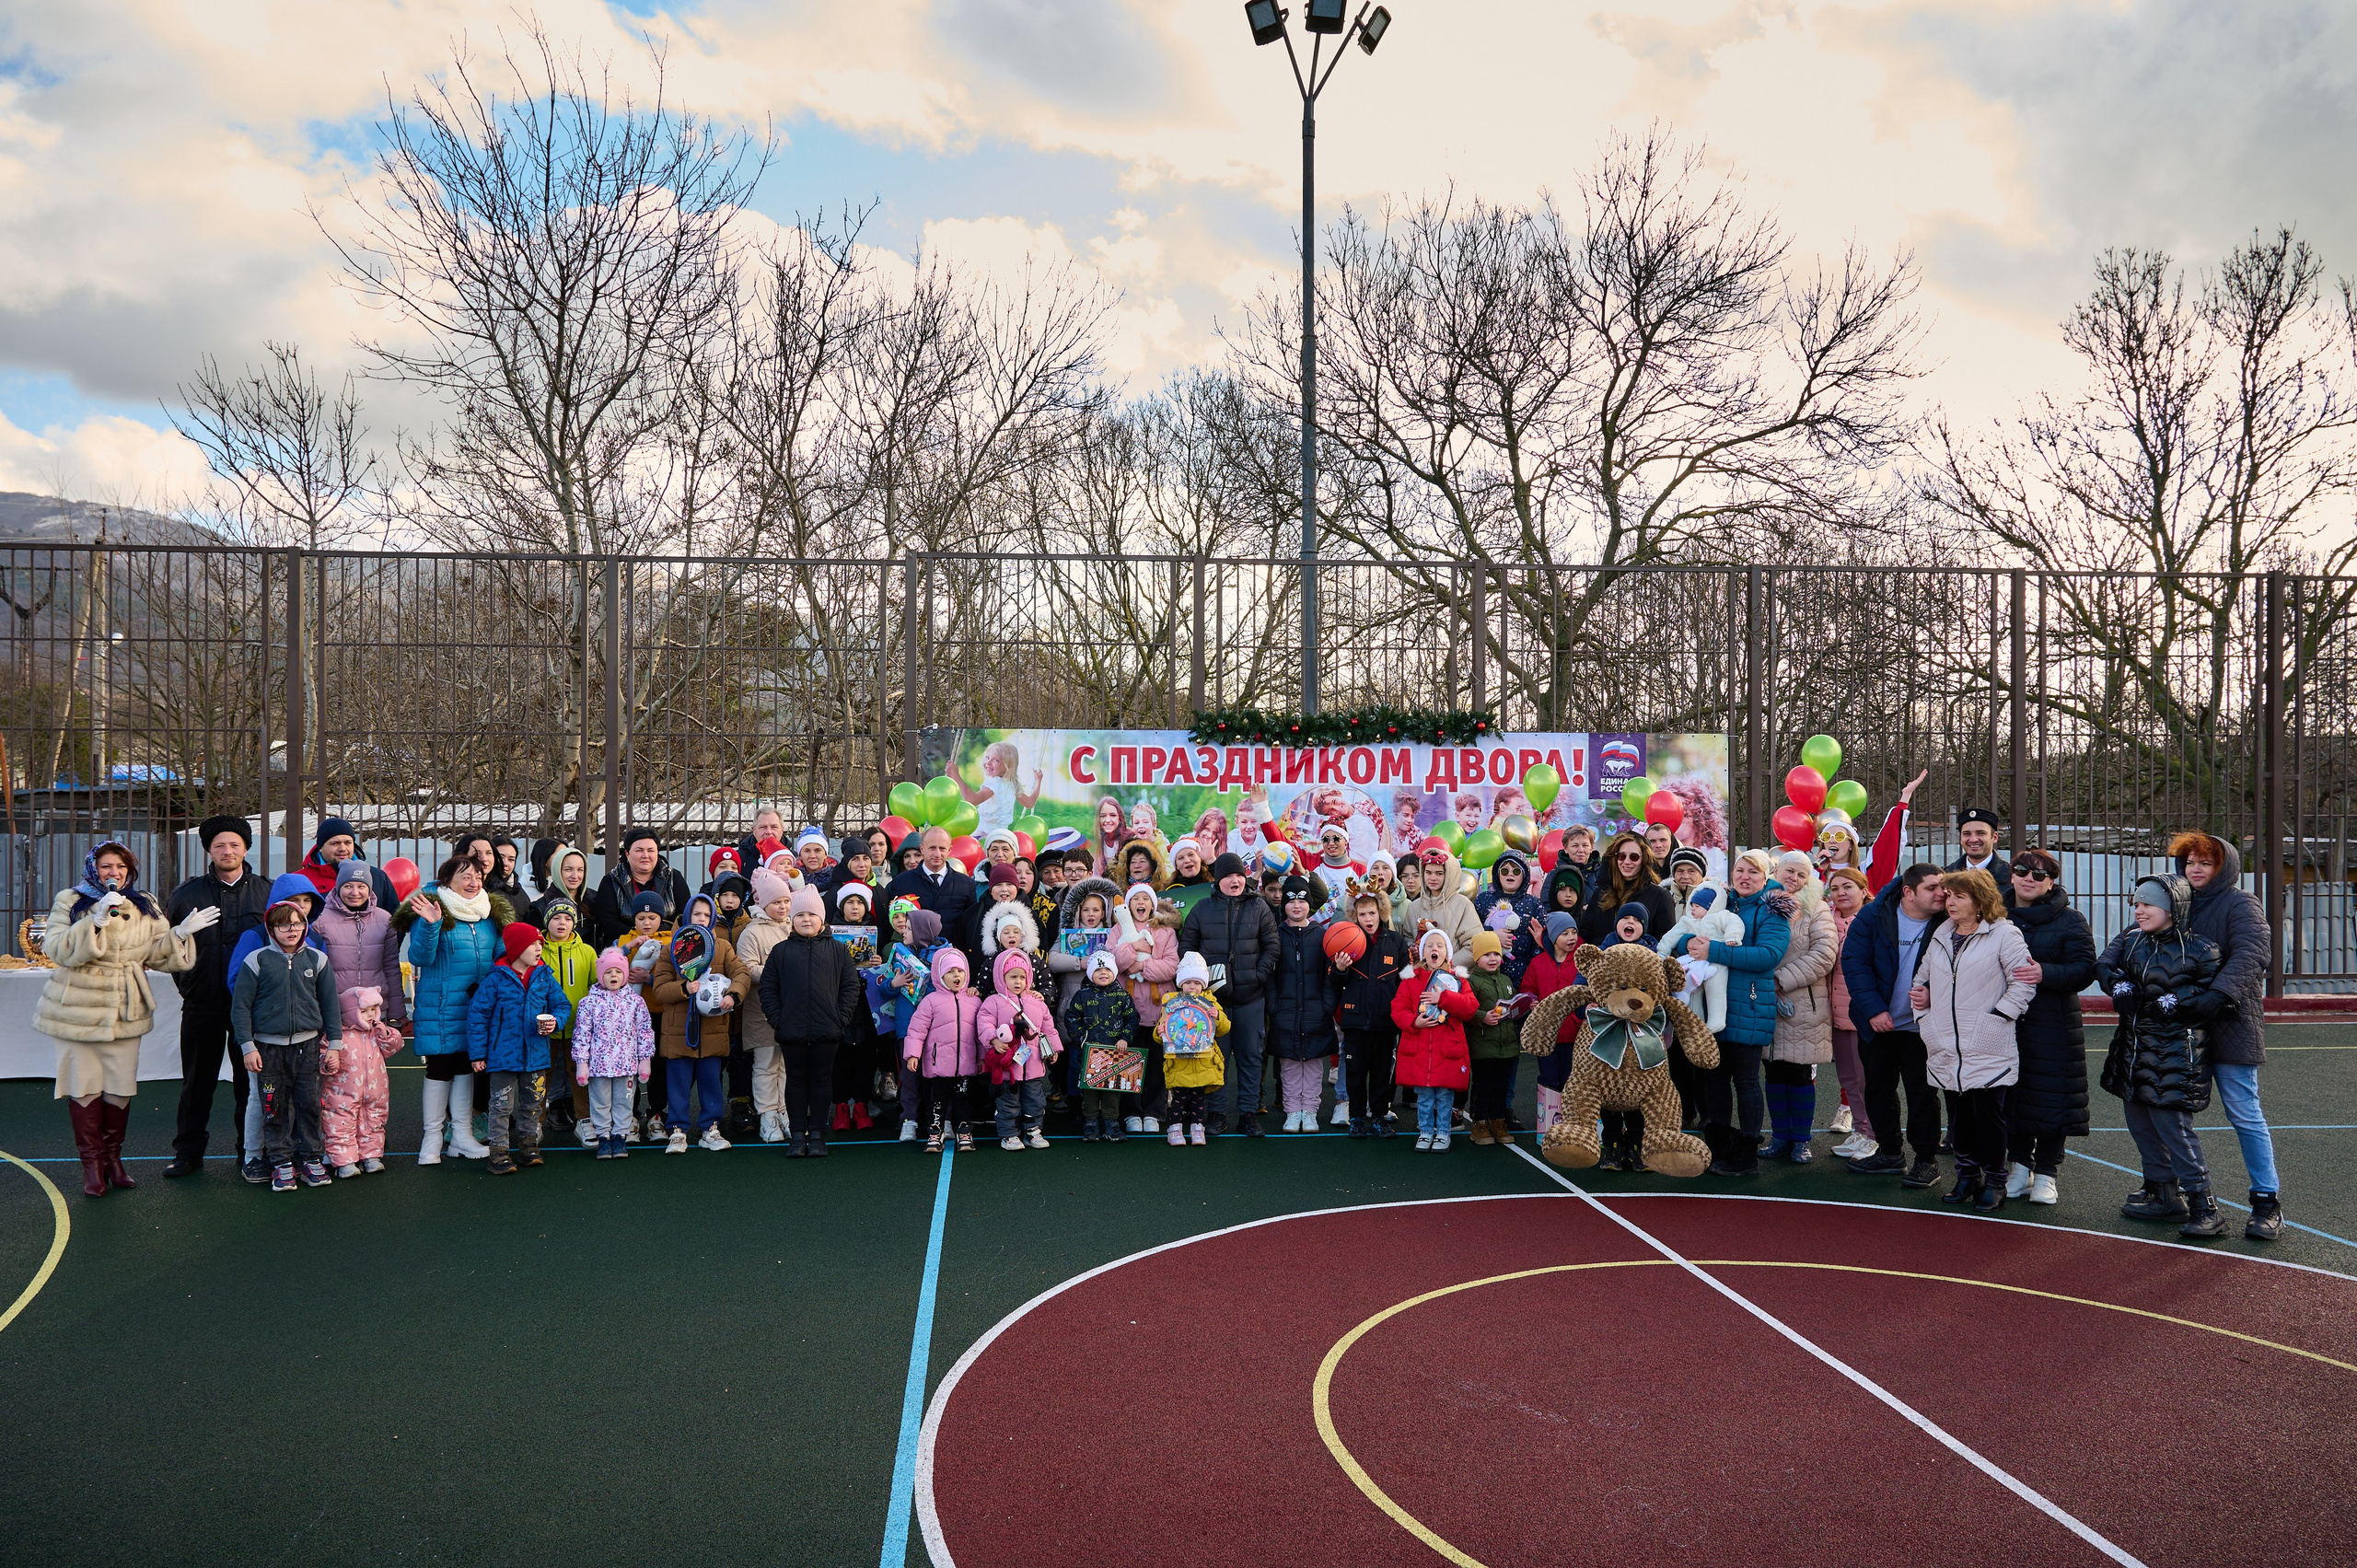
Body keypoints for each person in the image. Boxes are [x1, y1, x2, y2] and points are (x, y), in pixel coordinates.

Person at [36, 842, 204, 1196]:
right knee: (83, 1084)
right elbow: (55, 949)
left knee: (120, 1086)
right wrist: (94, 922)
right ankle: (92, 1165)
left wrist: (179, 934)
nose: (114, 873)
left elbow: (156, 954)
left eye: (121, 866)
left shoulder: (144, 903)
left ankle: (113, 1159)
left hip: (126, 1006)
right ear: (93, 868)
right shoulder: (71, 899)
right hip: (78, 1009)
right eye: (106, 866)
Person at [2096, 874, 2230, 1238]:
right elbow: (2105, 965)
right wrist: (2118, 983)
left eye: (2148, 905)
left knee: (2175, 1130)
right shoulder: (2131, 939)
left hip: (2176, 1057)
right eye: (2137, 904)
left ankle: (2205, 1207)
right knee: (2140, 1123)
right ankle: (2164, 1196)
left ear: (2173, 907)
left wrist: (2176, 1000)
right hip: (2133, 1052)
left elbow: (2212, 993)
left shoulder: (2202, 949)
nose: (2139, 911)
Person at [2171, 830, 2284, 1240]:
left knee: (2244, 1113)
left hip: (2232, 1024)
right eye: (2190, 862)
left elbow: (2253, 953)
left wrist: (2217, 996)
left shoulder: (2241, 903)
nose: (2195, 869)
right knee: (2171, 1111)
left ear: (2224, 867)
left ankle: (2266, 1202)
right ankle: (2177, 1194)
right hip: (2184, 1027)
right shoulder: (2177, 903)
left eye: (2205, 862)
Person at [1909, 868, 2032, 1212]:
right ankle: (1967, 1177)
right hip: (1945, 1044)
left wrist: (1999, 1017)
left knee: (1988, 1118)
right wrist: (1924, 1013)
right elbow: (1921, 980)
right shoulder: (1941, 935)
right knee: (1959, 1118)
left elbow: (2023, 981)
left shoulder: (2005, 934)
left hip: (1986, 1044)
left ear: (1980, 902)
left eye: (1959, 896)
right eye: (1949, 895)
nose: (1950, 902)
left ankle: (1995, 1181)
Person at [163, 816, 269, 1178]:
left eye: (235, 844)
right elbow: (170, 949)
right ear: (209, 850)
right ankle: (188, 1153)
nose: (228, 851)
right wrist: (190, 986)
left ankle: (250, 1152)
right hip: (202, 1004)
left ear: (246, 849)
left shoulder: (267, 893)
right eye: (220, 845)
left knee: (249, 1085)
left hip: (251, 1009)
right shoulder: (186, 894)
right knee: (197, 1083)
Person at [397, 853, 512, 1164]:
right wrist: (432, 924)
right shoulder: (432, 908)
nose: (473, 882)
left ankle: (462, 1136)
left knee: (466, 1066)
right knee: (439, 1068)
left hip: (477, 1009)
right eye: (465, 876)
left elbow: (502, 957)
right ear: (447, 881)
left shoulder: (490, 913)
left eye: (477, 876)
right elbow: (419, 957)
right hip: (441, 1006)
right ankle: (432, 1138)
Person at [1840, 864, 1947, 1189]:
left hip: (1922, 1027)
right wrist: (1873, 1009)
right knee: (1878, 1089)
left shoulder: (1949, 918)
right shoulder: (1874, 914)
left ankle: (1926, 1161)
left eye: (1943, 886)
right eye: (1932, 888)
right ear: (1909, 892)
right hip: (1878, 1023)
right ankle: (1890, 1153)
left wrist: (1934, 994)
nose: (1942, 893)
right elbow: (1855, 962)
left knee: (1922, 1094)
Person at [2000, 848, 2097, 1205]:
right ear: (2011, 875)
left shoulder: (2070, 919)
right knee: (2013, 1095)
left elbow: (2086, 969)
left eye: (2039, 875)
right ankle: (2019, 1168)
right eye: (2022, 871)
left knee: (2054, 1097)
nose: (2029, 879)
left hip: (2053, 1022)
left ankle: (2046, 1174)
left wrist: (2045, 972)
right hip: (2007, 1021)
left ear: (2051, 882)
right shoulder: (1995, 915)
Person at [231, 891, 343, 1192]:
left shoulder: (317, 959)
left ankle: (311, 1159)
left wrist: (334, 1044)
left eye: (297, 923)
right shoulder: (256, 961)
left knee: (309, 1104)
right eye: (284, 925)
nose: (292, 930)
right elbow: (240, 1007)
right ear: (271, 928)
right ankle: (279, 1162)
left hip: (308, 1046)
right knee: (273, 1107)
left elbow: (330, 1005)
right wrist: (248, 1046)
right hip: (268, 1048)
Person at [1689, 850, 1791, 1178]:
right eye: (1740, 870)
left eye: (1753, 872)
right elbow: (1692, 930)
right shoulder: (1722, 902)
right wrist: (1690, 944)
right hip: (1713, 1006)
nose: (1745, 877)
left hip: (1749, 1005)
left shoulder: (1772, 910)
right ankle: (1719, 1147)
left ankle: (1747, 1154)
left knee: (1746, 1081)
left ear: (1765, 877)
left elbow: (1768, 955)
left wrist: (1714, 950)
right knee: (1714, 1079)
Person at [755, 885, 865, 1158]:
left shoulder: (838, 951)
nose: (806, 920)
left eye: (812, 915)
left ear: (822, 919)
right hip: (791, 1030)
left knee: (821, 1081)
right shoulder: (780, 951)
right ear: (792, 919)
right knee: (795, 1082)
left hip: (827, 1031)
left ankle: (817, 1135)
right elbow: (768, 988)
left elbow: (850, 987)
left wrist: (840, 1019)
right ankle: (797, 1136)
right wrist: (778, 1020)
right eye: (800, 915)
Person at [1178, 853, 1279, 1136]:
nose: (1235, 881)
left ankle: (1248, 1114)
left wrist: (1257, 975)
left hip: (1251, 999)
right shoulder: (1201, 908)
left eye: (1239, 876)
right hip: (1213, 1001)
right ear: (1218, 879)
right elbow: (1187, 948)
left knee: (1251, 1058)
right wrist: (1200, 981)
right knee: (1214, 1059)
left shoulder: (1259, 907)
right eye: (1228, 876)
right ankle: (1217, 1114)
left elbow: (1272, 946)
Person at [465, 923, 575, 1175]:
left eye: (540, 944)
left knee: (533, 1104)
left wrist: (555, 1021)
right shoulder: (495, 979)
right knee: (501, 1105)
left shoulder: (544, 976)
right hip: (502, 1057)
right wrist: (478, 1054)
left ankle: (529, 1146)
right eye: (532, 944)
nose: (538, 949)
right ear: (516, 949)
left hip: (535, 1056)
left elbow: (562, 1005)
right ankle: (499, 1152)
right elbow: (478, 1016)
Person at [649, 893, 752, 1154]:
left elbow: (741, 973)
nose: (702, 919)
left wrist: (733, 994)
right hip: (678, 1031)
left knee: (711, 1082)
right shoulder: (670, 948)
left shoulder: (722, 947)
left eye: (707, 915)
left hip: (713, 1030)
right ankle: (678, 1131)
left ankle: (710, 1128)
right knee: (678, 1083)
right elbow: (660, 989)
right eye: (697, 914)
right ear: (687, 916)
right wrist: (684, 988)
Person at [1761, 852, 1840, 1164]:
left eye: (1801, 874)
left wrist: (1780, 979)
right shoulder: (1760, 903)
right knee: (1773, 1073)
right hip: (1765, 1002)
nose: (1793, 878)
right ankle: (1780, 1137)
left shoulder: (1815, 908)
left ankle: (1801, 1140)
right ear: (1776, 870)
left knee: (1799, 1074)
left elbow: (1825, 953)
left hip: (1803, 1004)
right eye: (1789, 871)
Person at [1330, 890, 1410, 1139]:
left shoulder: (1395, 941)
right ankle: (1356, 1118)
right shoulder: (1347, 940)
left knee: (1381, 1072)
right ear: (1354, 915)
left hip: (1385, 1020)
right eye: (1362, 914)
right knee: (1355, 1071)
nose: (1368, 918)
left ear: (1381, 912)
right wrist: (1339, 968)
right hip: (1355, 1019)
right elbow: (1335, 981)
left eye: (1372, 913)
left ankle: (1378, 1117)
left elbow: (1405, 981)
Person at [1392, 928, 1476, 1152]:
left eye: (1439, 945)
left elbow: (1470, 1007)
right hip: (1419, 1050)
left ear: (1447, 952)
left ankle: (1443, 1133)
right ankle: (1426, 1131)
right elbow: (1397, 1009)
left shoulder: (1458, 980)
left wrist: (1444, 997)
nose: (1434, 949)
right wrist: (1414, 1022)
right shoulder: (1411, 980)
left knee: (1445, 1096)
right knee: (1424, 1096)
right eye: (1429, 946)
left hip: (1447, 1050)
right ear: (1422, 952)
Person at [1266, 877, 1337, 1132]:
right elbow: (1270, 975)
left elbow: (1330, 975)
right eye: (1291, 900)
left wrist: (1327, 1005)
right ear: (1283, 904)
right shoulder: (1275, 935)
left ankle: (1310, 1112)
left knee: (1314, 1066)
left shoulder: (1322, 936)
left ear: (1310, 904)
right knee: (1290, 1066)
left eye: (1302, 900)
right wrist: (1273, 1005)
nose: (1296, 906)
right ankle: (1292, 1111)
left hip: (1316, 1012)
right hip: (1284, 1012)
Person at [572, 947, 656, 1158]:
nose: (614, 976)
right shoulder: (588, 1003)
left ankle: (620, 1136)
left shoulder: (635, 1002)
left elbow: (645, 1032)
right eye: (608, 972)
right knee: (600, 1102)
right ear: (601, 975)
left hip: (626, 1066)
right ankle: (603, 1137)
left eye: (618, 972)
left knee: (624, 1102)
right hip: (599, 1067)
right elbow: (582, 1034)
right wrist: (582, 1063)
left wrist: (645, 1060)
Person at [734, 870, 795, 1144]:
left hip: (791, 1010)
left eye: (786, 901)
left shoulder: (794, 927)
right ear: (764, 904)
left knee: (787, 1064)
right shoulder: (752, 932)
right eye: (776, 902)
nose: (782, 907)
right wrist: (780, 971)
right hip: (762, 1011)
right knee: (766, 1064)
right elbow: (746, 969)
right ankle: (767, 1115)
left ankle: (785, 1111)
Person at [980, 947, 1062, 1150]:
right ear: (1001, 977)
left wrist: (1053, 1049)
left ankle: (1033, 1130)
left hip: (1033, 1065)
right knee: (1008, 1102)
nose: (1018, 982)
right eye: (1012, 977)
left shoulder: (1037, 1002)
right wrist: (993, 1040)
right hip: (1008, 1067)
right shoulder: (993, 1002)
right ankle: (1009, 1134)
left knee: (1035, 1100)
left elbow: (1048, 1028)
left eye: (1022, 977)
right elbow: (983, 1023)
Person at [903, 948, 984, 1154]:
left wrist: (982, 1058)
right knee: (937, 1102)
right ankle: (935, 1134)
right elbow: (916, 1030)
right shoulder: (930, 1001)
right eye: (950, 971)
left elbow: (981, 1034)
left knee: (962, 1101)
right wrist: (913, 1054)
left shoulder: (974, 1001)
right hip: (938, 1065)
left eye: (960, 971)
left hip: (965, 1065)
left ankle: (964, 1133)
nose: (957, 975)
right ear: (940, 975)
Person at [1822, 868, 1877, 1162]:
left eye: (1848, 887)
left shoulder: (1873, 921)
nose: (1841, 893)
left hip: (1862, 1013)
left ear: (1863, 891)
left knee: (1867, 1079)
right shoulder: (1826, 921)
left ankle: (1874, 1136)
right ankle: (1860, 1129)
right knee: (1848, 1078)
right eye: (1835, 888)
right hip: (1835, 1014)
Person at [534, 898, 599, 1140]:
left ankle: (584, 1120)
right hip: (544, 1028)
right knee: (541, 1075)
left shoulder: (587, 951)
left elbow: (596, 986)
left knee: (580, 1074)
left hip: (578, 1028)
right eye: (556, 918)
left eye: (567, 918)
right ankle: (535, 1122)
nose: (562, 923)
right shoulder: (537, 950)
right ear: (546, 922)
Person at [321, 985, 402, 1178]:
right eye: (364, 1011)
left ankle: (371, 1157)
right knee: (340, 1125)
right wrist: (327, 1063)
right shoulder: (337, 1036)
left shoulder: (376, 1032)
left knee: (373, 1123)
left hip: (375, 1093)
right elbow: (323, 1055)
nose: (370, 1015)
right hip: (342, 1095)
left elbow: (394, 1047)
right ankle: (344, 1162)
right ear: (349, 1013)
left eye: (373, 1010)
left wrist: (386, 1034)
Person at [315, 859, 404, 1031]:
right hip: (335, 1009)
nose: (354, 892)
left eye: (361, 886)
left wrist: (397, 1010)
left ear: (369, 889)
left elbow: (391, 966)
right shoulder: (320, 919)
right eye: (348, 886)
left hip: (374, 1009)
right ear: (338, 887)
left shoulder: (384, 919)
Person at [1064, 949, 1142, 1142]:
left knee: (1112, 1090)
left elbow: (1132, 1019)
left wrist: (1125, 1038)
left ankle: (1111, 1122)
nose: (1103, 973)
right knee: (1090, 1090)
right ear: (1091, 973)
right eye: (1098, 970)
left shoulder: (1122, 996)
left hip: (1115, 1053)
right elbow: (1071, 1018)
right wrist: (1081, 1039)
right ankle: (1091, 1121)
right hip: (1089, 1053)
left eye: (1107, 969)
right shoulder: (1081, 995)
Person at [1155, 955, 1229, 1146]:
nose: (1192, 987)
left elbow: (1224, 1029)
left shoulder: (1210, 1003)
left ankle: (1198, 1129)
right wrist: (1160, 1031)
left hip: (1203, 1063)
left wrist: (1217, 1016)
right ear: (1181, 984)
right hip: (1179, 1063)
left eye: (1197, 983)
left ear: (1203, 984)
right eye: (1188, 982)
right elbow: (1161, 1033)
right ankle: (1174, 1130)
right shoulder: (1172, 1005)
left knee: (1199, 1099)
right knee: (1178, 1099)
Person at [1521, 913, 1585, 1135]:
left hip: (1575, 1037)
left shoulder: (1581, 963)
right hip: (1547, 1037)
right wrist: (1531, 1001)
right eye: (1565, 933)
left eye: (1574, 932)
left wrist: (1578, 1019)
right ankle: (1547, 1128)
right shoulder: (1538, 963)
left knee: (1571, 1081)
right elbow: (1527, 989)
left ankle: (1571, 1129)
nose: (1571, 937)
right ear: (1553, 936)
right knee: (1548, 1079)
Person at [888, 826, 981, 959]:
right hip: (913, 959)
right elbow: (892, 924)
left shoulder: (966, 884)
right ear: (922, 849)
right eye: (932, 848)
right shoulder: (901, 883)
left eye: (942, 848)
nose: (937, 854)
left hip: (952, 960)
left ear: (950, 850)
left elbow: (970, 927)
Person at [589, 829, 691, 949]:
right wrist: (639, 938)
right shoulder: (612, 881)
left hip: (668, 945)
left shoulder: (673, 878)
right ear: (627, 854)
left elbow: (684, 916)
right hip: (625, 947)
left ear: (657, 852)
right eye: (639, 850)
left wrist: (659, 937)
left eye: (650, 850)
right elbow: (607, 922)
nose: (645, 855)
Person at [1464, 930, 1521, 1145]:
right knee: (1483, 1086)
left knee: (1500, 1086)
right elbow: (1466, 1011)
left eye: (1496, 954)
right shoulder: (1472, 982)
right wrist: (1483, 1017)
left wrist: (1523, 1004)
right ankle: (1479, 1123)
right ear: (1477, 958)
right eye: (1486, 954)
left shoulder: (1506, 980)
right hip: (1483, 1046)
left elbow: (1513, 1005)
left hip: (1507, 1046)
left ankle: (1497, 1121)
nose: (1492, 958)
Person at [1581, 832, 1676, 948]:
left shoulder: (1660, 896)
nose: (1626, 861)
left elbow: (1667, 942)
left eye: (1634, 857)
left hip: (1641, 958)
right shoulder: (1601, 893)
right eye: (1622, 856)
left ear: (1644, 859)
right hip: (1602, 958)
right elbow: (1587, 935)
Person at [1404, 843, 1483, 968]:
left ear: (1450, 875)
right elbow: (1407, 937)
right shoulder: (1414, 907)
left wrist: (1447, 966)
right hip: (1421, 975)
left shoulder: (1463, 905)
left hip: (1453, 975)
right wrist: (1412, 950)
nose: (1433, 878)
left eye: (1439, 873)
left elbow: (1474, 945)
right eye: (1428, 872)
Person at [296, 816, 399, 911]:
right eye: (335, 843)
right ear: (320, 847)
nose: (343, 848)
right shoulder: (300, 880)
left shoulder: (378, 877)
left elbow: (394, 920)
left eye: (348, 843)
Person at [1474, 850, 1545, 984]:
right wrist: (1492, 936)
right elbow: (1472, 932)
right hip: (1487, 977)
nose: (1510, 874)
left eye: (1516, 871)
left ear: (1524, 875)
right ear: (1498, 874)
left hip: (1523, 975)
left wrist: (1530, 974)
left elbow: (1539, 944)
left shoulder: (1534, 903)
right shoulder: (1483, 900)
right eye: (1505, 871)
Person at [534, 846, 592, 929]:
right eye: (568, 870)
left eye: (580, 870)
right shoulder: (540, 908)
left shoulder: (594, 901)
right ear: (557, 871)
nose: (575, 876)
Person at [1948, 808, 2002, 874]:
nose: (1973, 840)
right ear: (1961, 839)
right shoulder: (1946, 875)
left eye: (1981, 833)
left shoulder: (2010, 876)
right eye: (1967, 834)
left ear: (1995, 837)